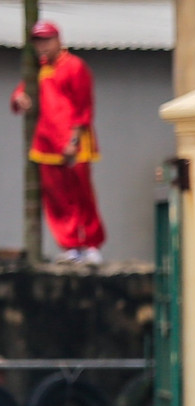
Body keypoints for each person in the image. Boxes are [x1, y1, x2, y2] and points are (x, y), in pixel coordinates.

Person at [9, 21, 105, 265]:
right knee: (56, 199)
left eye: (47, 39)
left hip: (74, 142)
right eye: (38, 41)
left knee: (82, 195)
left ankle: (91, 245)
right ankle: (70, 246)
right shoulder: (37, 70)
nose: (42, 45)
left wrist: (73, 140)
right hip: (46, 144)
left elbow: (84, 107)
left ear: (58, 40)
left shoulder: (74, 67)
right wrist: (19, 98)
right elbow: (20, 94)